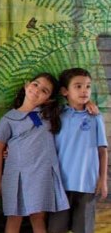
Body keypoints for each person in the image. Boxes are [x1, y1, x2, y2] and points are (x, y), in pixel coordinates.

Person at [0, 72, 69, 233]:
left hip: (40, 175)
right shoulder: (8, 119)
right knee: (14, 217)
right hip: (15, 175)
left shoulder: (49, 116)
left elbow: (76, 106)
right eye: (35, 84)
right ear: (27, 85)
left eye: (44, 90)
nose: (37, 90)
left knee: (38, 217)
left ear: (48, 99)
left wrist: (89, 103)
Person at [48, 68, 108, 233]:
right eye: (78, 86)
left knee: (83, 229)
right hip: (59, 185)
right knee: (56, 228)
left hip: (87, 185)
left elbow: (102, 151)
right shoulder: (56, 115)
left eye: (88, 86)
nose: (84, 90)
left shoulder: (95, 117)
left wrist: (102, 180)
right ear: (65, 91)